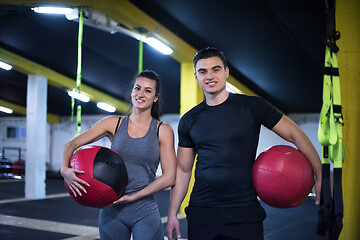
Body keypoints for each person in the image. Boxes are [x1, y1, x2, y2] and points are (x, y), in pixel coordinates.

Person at [166, 47, 322, 240]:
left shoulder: (252, 107)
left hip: (243, 212)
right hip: (202, 212)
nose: (210, 76)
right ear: (196, 76)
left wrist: (320, 174)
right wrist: (173, 213)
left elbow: (295, 135)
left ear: (226, 72)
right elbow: (183, 170)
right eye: (203, 71)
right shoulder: (189, 120)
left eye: (216, 69)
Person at [61, 70, 176, 240]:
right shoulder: (112, 123)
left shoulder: (163, 130)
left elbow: (170, 177)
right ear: (131, 91)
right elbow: (71, 144)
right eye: (137, 88)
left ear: (156, 97)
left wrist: (135, 196)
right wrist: (64, 170)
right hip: (111, 209)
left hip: (144, 209)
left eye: (148, 90)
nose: (141, 94)